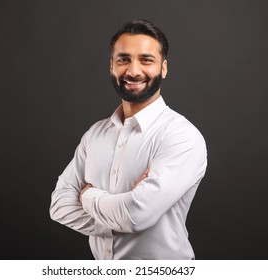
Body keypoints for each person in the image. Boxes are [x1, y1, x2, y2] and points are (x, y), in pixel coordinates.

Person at [50, 19, 207, 260]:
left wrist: (87, 196)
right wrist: (118, 218)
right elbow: (59, 206)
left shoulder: (181, 136)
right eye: (123, 59)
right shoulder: (95, 134)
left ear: (163, 68)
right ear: (111, 66)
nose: (133, 71)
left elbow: (136, 214)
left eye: (146, 60)